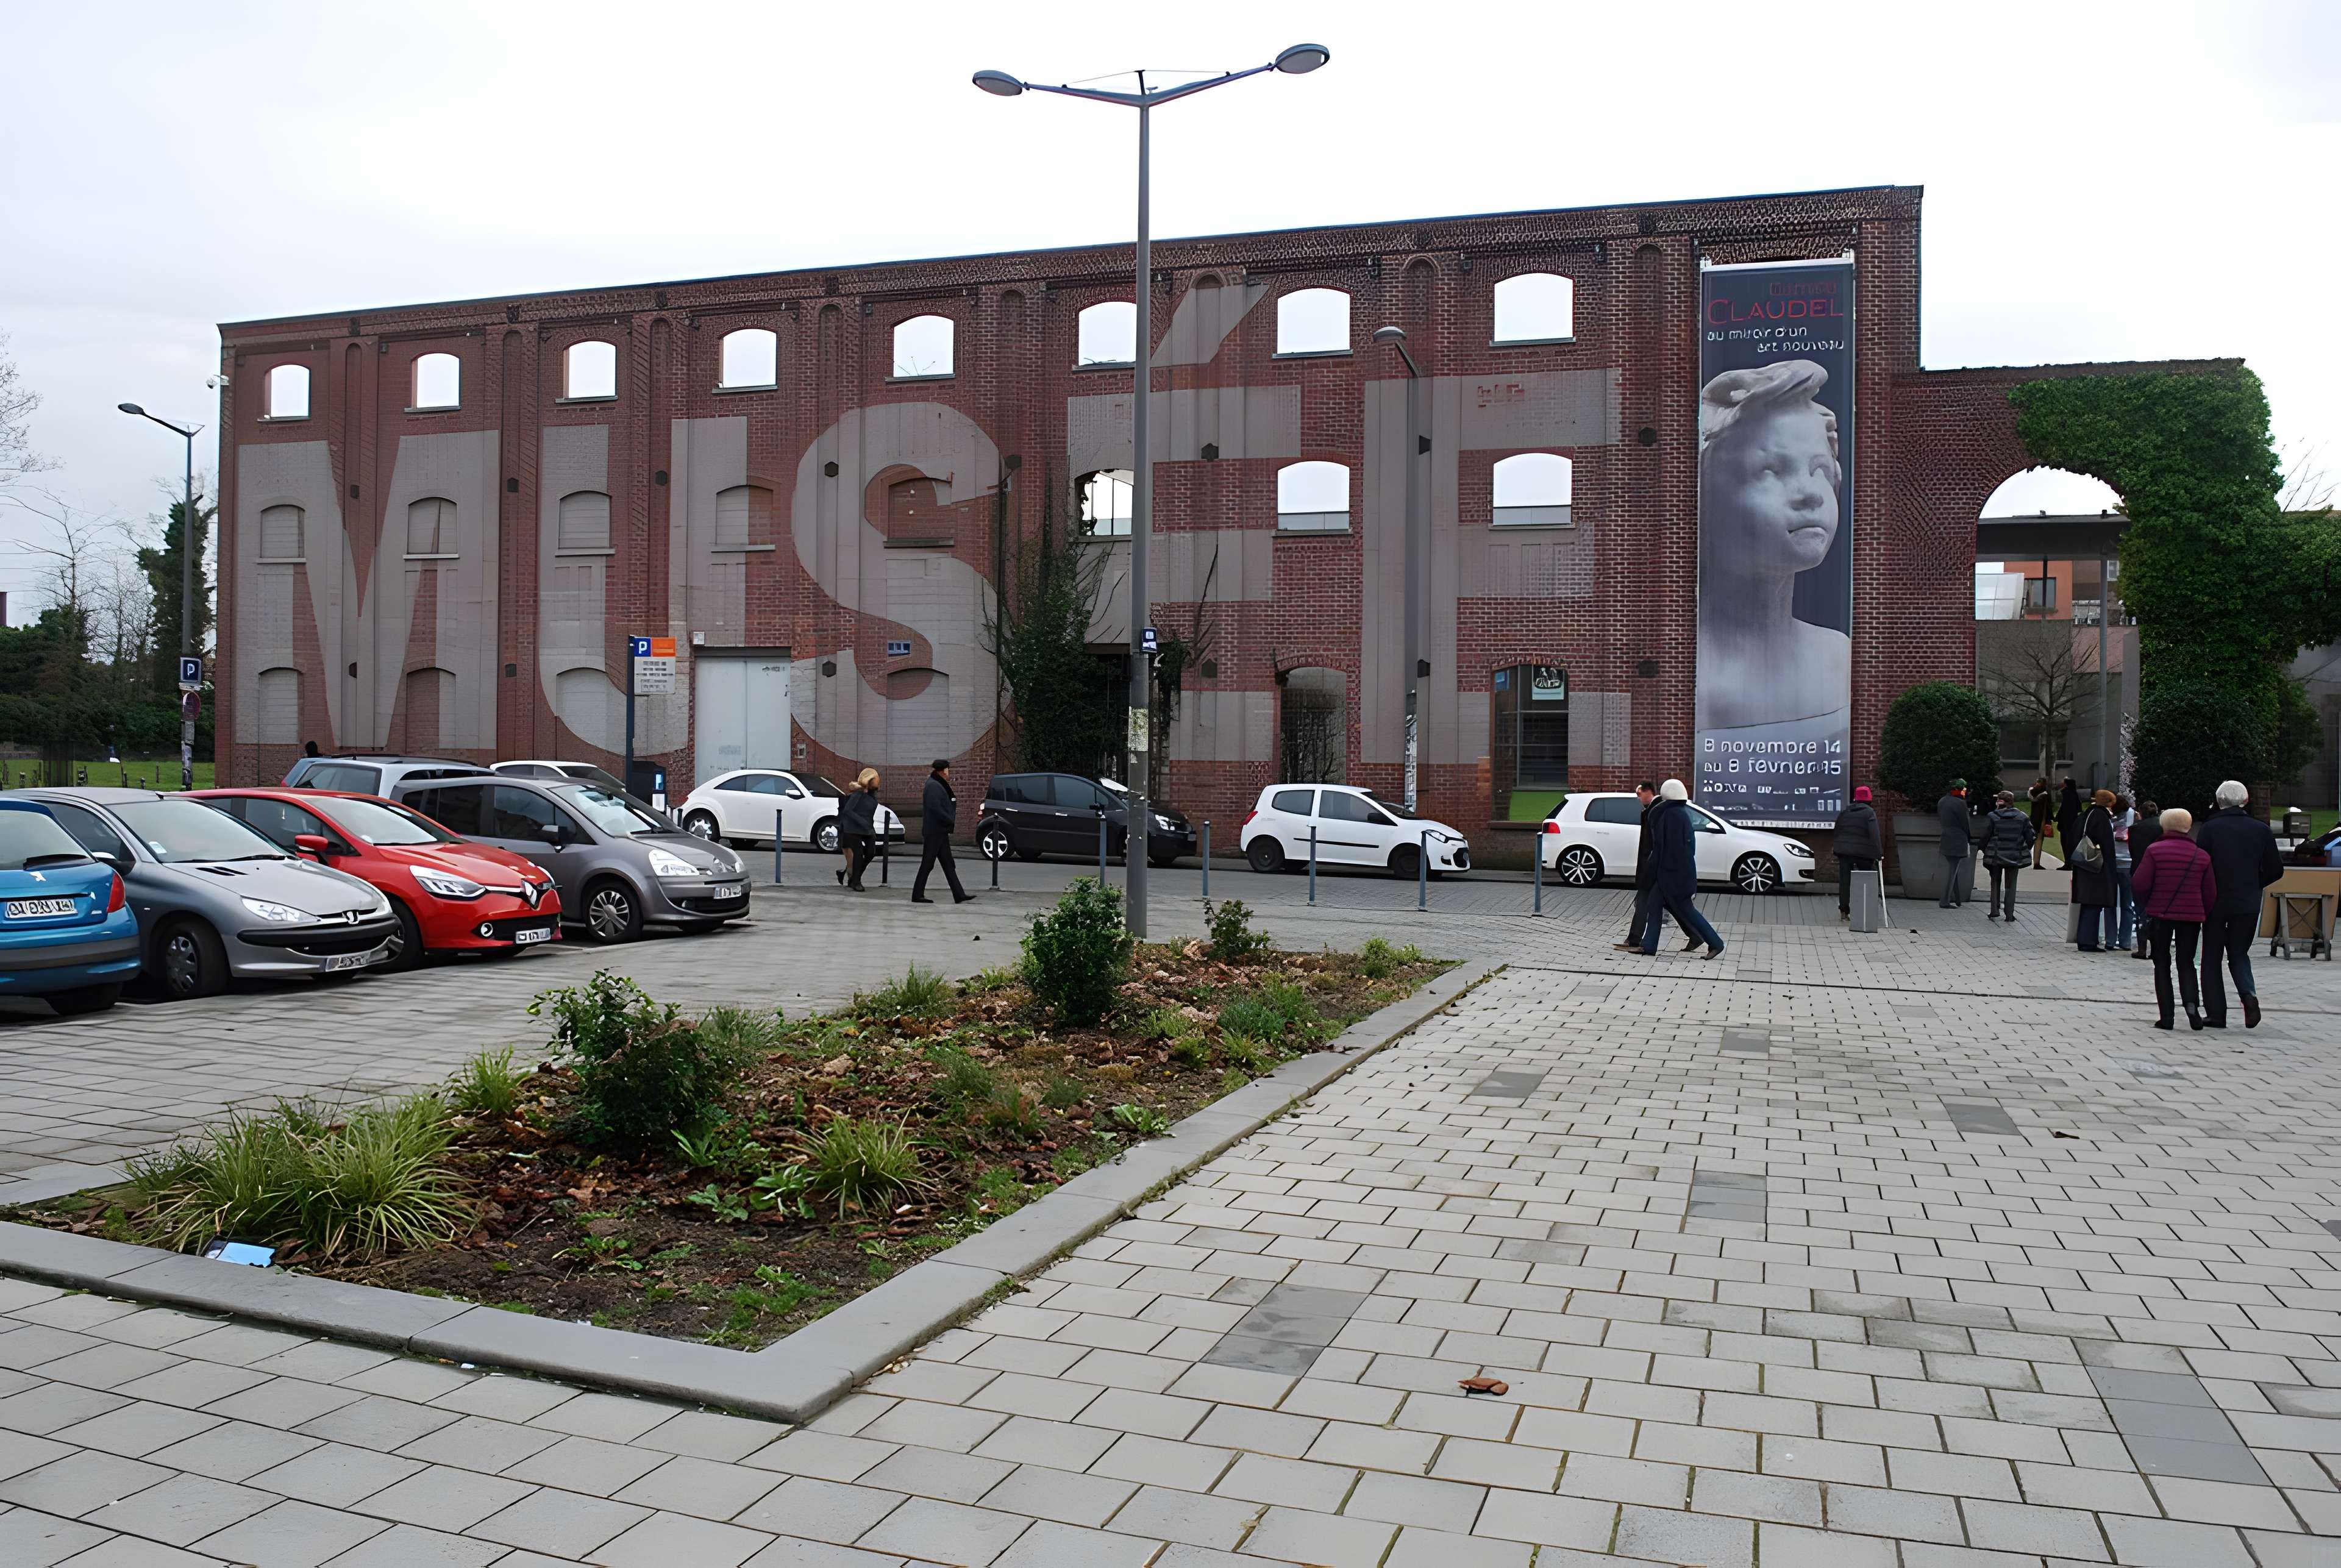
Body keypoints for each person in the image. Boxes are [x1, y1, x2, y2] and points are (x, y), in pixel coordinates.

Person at [1692, 361, 1850, 746]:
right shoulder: (1691, 671)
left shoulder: (1837, 657)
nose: (1811, 493)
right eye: (1771, 471)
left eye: (1818, 470)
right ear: (1706, 497)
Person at [2195, 779, 2282, 1028]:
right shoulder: (2261, 830)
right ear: (2246, 801)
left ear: (2219, 801)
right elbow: (2276, 869)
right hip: (2247, 902)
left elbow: (2201, 865)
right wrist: (2255, 884)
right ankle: (2248, 995)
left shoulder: (2210, 828)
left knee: (2211, 956)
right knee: (2239, 953)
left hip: (2215, 901)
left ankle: (2216, 1013)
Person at [2131, 807, 2215, 1031]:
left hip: (2161, 914)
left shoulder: (2155, 851)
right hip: (2191, 916)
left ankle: (2166, 1016)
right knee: (2187, 963)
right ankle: (2191, 1007)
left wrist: (2148, 903)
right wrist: (2202, 912)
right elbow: (2210, 893)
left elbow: (2139, 883)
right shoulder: (2202, 856)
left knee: (2162, 963)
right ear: (2188, 828)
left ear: (2164, 826)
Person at [1639, 780, 1725, 960]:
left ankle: (1716, 943)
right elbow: (1687, 847)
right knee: (1656, 905)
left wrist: (1652, 870)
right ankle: (1648, 946)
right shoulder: (1680, 814)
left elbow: (1663, 848)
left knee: (1686, 909)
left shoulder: (1670, 815)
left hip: (1671, 873)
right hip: (1677, 872)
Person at [1614, 782, 1697, 952]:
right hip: (1653, 863)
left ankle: (1636, 940)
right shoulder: (1654, 809)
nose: (1638, 798)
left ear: (1648, 792)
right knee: (1667, 903)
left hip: (1655, 864)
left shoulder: (1659, 809)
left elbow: (1657, 841)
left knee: (1646, 900)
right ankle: (1695, 935)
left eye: (1639, 794)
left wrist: (1652, 865)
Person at [911, 758, 973, 905]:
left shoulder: (936, 784)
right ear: (942, 770)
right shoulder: (934, 786)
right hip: (935, 831)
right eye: (947, 770)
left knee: (948, 864)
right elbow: (935, 808)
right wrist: (949, 819)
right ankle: (917, 895)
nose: (948, 773)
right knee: (928, 863)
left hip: (939, 831)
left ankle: (959, 894)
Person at [2070, 788, 2120, 950]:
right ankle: (2088, 941)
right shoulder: (2101, 818)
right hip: (2097, 868)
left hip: (2083, 864)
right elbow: (2107, 846)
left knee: (2087, 904)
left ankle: (2085, 938)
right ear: (2109, 803)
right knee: (2094, 903)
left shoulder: (2085, 816)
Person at [1979, 789, 2035, 922]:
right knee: (2011, 885)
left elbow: (1986, 836)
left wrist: (1983, 849)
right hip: (2014, 855)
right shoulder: (2022, 817)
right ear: (2012, 802)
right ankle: (2009, 915)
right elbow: (2031, 836)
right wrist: (2025, 848)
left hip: (1996, 855)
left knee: (1995, 882)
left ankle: (1994, 910)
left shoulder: (1993, 816)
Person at [1831, 785, 1883, 923]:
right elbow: (1875, 835)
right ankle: (1864, 909)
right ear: (1869, 800)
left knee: (1845, 881)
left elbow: (1837, 831)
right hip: (1864, 853)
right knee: (1867, 879)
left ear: (1856, 799)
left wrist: (1837, 848)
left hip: (1844, 851)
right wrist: (1879, 854)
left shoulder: (1845, 812)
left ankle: (1844, 911)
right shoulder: (1869, 813)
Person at [2128, 799, 2164, 961]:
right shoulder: (2162, 827)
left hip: (2139, 870)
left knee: (2140, 910)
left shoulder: (2135, 829)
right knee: (2157, 910)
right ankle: (2157, 947)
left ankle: (2142, 947)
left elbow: (2133, 852)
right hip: (2160, 872)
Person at [835, 768, 881, 892]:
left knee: (871, 852)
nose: (878, 781)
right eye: (876, 779)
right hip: (853, 829)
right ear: (869, 781)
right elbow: (847, 811)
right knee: (858, 854)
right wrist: (862, 822)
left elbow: (869, 815)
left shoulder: (872, 796)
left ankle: (855, 877)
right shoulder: (858, 795)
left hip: (866, 829)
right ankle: (856, 882)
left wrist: (871, 830)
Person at [2109, 794, 2139, 951]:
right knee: (2127, 904)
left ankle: (2111, 939)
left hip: (2114, 862)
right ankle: (2125, 940)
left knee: (2111, 903)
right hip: (2128, 862)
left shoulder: (2111, 817)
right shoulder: (2134, 816)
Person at [1936, 779, 1972, 909]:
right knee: (1953, 871)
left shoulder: (1942, 801)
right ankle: (1945, 901)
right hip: (1958, 838)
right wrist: (1969, 838)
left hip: (1946, 836)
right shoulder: (1960, 804)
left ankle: (1957, 899)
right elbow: (1966, 824)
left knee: (1953, 869)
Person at [2028, 779, 2054, 869]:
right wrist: (2050, 820)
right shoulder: (2045, 795)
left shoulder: (2031, 792)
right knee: (2039, 841)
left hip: (2033, 818)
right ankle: (2036, 863)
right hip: (2042, 819)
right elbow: (2049, 809)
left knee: (2030, 839)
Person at [2055, 777, 2082, 866]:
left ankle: (2068, 863)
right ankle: (2071, 862)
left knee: (2065, 842)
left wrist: (2057, 818)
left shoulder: (2066, 794)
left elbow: (2063, 808)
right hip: (2073, 821)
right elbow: (2079, 808)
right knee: (2071, 842)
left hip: (2065, 821)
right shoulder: (2075, 794)